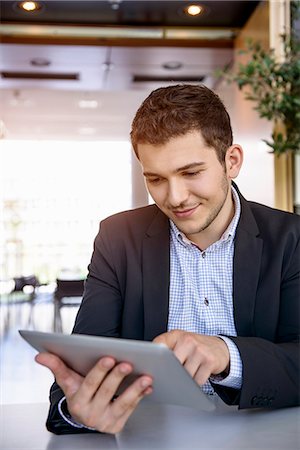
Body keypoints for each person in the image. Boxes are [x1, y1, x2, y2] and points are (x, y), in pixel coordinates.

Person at [36, 84, 300, 435]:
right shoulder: (118, 239)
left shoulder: (291, 239)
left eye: (191, 173)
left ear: (231, 161)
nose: (175, 198)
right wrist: (76, 410)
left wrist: (227, 355)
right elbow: (84, 367)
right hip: (147, 438)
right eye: (156, 179)